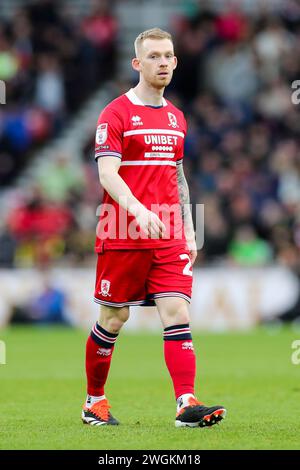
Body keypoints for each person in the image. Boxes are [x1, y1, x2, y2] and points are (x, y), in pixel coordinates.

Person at [82, 28, 226, 428]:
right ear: (137, 63)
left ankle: (186, 404)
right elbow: (107, 174)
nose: (163, 62)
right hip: (122, 230)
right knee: (114, 319)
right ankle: (94, 401)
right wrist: (137, 210)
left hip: (168, 233)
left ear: (176, 62)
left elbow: (177, 175)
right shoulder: (115, 113)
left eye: (168, 56)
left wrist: (189, 227)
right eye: (154, 56)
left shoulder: (177, 118)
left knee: (176, 310)